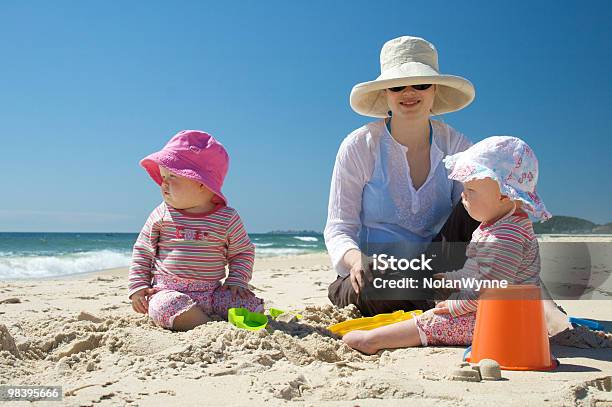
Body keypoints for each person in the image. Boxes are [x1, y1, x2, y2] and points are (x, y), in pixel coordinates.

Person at [342, 136, 551, 353]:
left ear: (504, 196)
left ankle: (373, 340)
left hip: (504, 321)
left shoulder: (505, 237)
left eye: (471, 190)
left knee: (432, 322)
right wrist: (452, 279)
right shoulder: (503, 224)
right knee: (436, 311)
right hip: (504, 313)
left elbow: (489, 290)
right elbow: (478, 273)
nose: (463, 195)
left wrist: (455, 306)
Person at [325, 36, 480, 316]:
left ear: (434, 90)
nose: (409, 92)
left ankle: (453, 293)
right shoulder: (360, 146)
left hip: (437, 267)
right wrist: (356, 260)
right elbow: (339, 228)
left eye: (420, 84)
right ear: (386, 93)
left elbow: (477, 219)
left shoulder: (457, 145)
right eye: (397, 86)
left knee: (483, 198)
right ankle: (449, 298)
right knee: (377, 284)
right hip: (376, 275)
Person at [128, 130, 263, 331]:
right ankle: (207, 325)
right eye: (163, 177)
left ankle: (201, 319)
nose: (163, 184)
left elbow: (242, 252)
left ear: (202, 183)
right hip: (168, 291)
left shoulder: (226, 218)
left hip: (213, 293)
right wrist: (138, 287)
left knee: (251, 305)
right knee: (163, 307)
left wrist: (237, 280)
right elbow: (143, 250)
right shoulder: (161, 214)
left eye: (172, 176)